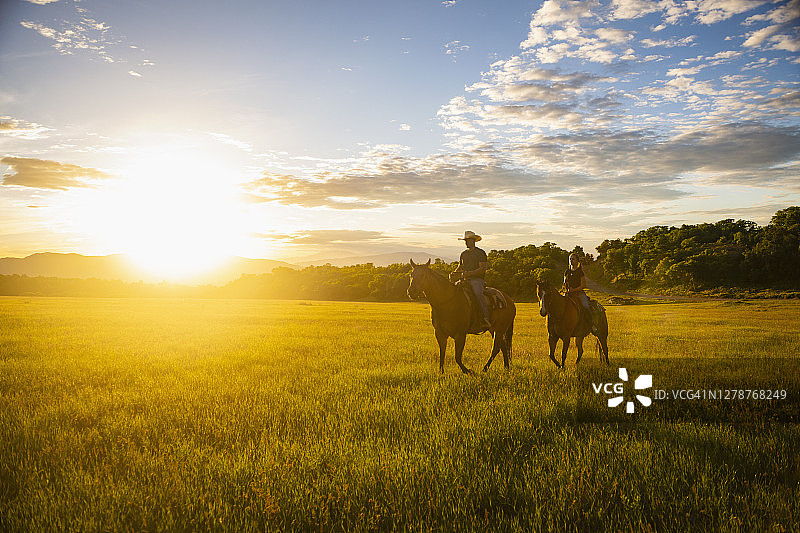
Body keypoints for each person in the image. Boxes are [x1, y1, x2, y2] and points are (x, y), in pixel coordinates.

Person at [452, 231, 491, 329]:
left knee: (478, 293)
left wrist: (470, 273)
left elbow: (483, 268)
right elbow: (460, 266)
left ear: (473, 241)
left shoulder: (480, 253)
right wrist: (454, 273)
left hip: (477, 280)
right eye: (465, 241)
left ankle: (485, 318)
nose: (466, 243)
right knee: (453, 292)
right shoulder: (463, 254)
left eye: (467, 240)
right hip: (464, 279)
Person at [563, 252, 591, 326]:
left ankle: (590, 323)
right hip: (568, 293)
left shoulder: (580, 272)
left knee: (586, 306)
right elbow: (564, 283)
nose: (571, 261)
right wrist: (567, 289)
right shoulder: (567, 272)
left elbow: (583, 285)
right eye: (570, 259)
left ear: (577, 261)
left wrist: (574, 290)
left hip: (579, 293)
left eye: (573, 259)